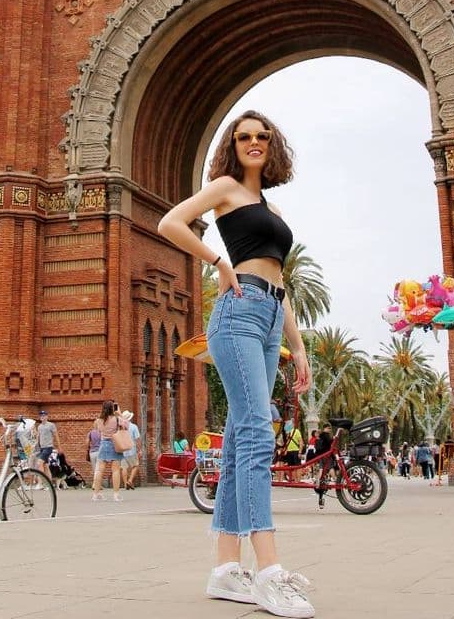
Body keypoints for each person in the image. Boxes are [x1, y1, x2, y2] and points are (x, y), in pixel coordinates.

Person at [158, 109, 314, 618]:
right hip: (238, 310)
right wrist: (217, 261)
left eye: (261, 136)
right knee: (254, 431)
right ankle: (269, 572)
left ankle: (227, 569)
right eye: (244, 136)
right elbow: (170, 222)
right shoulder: (224, 187)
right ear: (233, 144)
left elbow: (282, 282)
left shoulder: (265, 202)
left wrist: (300, 345)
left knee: (243, 437)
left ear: (272, 146)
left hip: (269, 316)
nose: (254, 142)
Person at [91, 401, 126, 502]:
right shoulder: (116, 419)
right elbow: (125, 426)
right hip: (114, 444)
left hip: (103, 444)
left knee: (99, 471)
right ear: (112, 408)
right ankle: (116, 494)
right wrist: (120, 414)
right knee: (115, 470)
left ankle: (96, 494)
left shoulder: (99, 420)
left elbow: (98, 430)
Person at [35, 410, 60, 483]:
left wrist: (59, 447)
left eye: (43, 415)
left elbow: (56, 436)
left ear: (47, 416)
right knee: (45, 466)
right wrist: (36, 445)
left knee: (39, 463)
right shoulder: (39, 426)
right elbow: (38, 437)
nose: (42, 417)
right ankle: (50, 483)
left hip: (48, 447)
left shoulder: (51, 425)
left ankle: (40, 483)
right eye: (41, 416)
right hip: (42, 448)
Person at [121, 410, 142, 489]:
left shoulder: (120, 427)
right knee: (135, 465)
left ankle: (125, 484)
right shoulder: (133, 426)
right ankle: (130, 481)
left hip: (122, 450)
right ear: (130, 418)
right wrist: (139, 449)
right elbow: (138, 439)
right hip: (131, 450)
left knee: (124, 467)